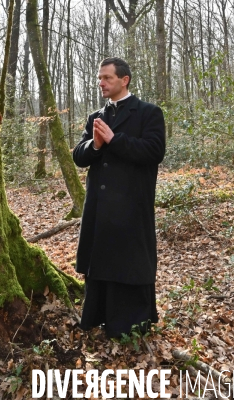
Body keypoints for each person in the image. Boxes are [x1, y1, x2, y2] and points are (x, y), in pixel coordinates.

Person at [72, 57, 166, 339]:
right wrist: (95, 145)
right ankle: (98, 318)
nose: (101, 82)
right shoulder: (95, 117)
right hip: (100, 209)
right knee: (100, 264)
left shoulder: (148, 113)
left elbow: (154, 151)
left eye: (107, 78)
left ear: (124, 80)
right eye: (99, 78)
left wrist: (115, 140)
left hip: (131, 205)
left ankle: (131, 326)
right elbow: (79, 156)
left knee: (129, 265)